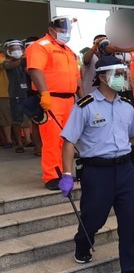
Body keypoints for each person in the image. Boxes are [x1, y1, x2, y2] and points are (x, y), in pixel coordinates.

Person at [58, 55, 134, 273]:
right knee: (93, 218)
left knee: (131, 223)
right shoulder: (85, 105)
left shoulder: (126, 106)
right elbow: (69, 141)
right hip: (96, 172)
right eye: (118, 74)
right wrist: (67, 175)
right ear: (101, 77)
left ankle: (131, 272)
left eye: (124, 74)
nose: (123, 79)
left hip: (124, 170)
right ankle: (83, 241)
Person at [27, 17, 81, 190]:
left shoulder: (68, 50)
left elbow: (76, 77)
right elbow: (35, 69)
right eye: (63, 30)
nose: (66, 34)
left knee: (68, 139)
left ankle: (65, 172)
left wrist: (84, 99)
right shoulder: (41, 46)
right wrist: (44, 93)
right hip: (51, 99)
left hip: (70, 100)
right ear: (51, 30)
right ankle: (52, 175)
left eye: (68, 31)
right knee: (52, 139)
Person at [2, 39, 33, 153]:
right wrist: (24, 58)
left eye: (18, 48)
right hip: (14, 95)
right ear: (8, 51)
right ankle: (19, 143)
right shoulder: (6, 63)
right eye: (14, 49)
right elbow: (12, 65)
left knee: (27, 119)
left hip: (26, 93)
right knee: (16, 120)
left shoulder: (24, 62)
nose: (17, 51)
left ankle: (28, 140)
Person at [0, 42, 14, 148]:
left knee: (5, 118)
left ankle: (8, 140)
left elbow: (7, 65)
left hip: (2, 93)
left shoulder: (2, 57)